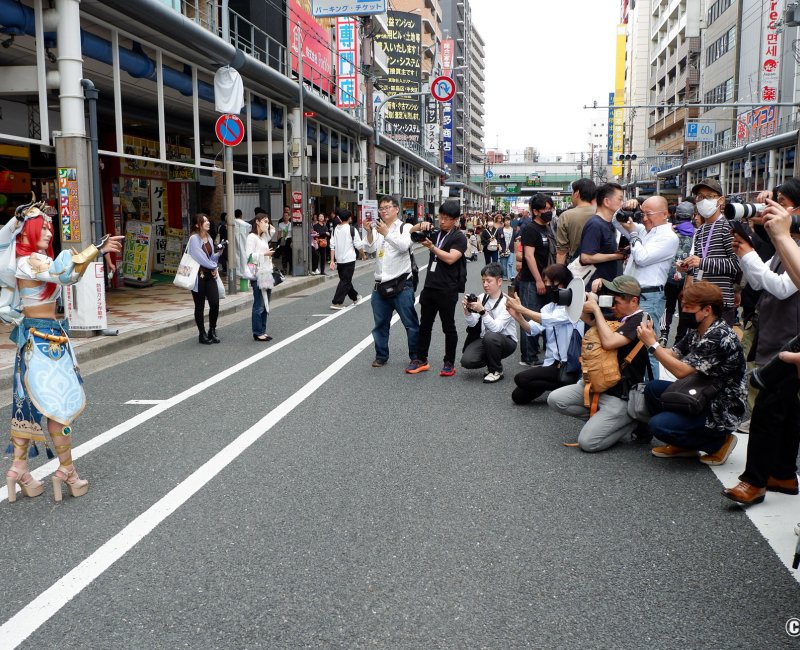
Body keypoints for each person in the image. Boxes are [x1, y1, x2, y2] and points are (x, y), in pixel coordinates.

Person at [4, 199, 123, 502]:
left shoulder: (29, 259)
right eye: (41, 227)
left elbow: (65, 272)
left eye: (49, 227)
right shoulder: (29, 261)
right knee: (59, 406)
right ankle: (67, 471)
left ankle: (19, 469)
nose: (47, 231)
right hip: (44, 341)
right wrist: (98, 247)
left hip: (38, 338)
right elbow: (65, 274)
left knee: (27, 403)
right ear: (26, 231)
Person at [722, 179, 800, 504]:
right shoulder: (788, 242)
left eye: (780, 201)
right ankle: (782, 474)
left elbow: (784, 287)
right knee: (787, 411)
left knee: (767, 411)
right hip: (779, 337)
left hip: (788, 341)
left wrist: (758, 247)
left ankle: (754, 481)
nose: (771, 207)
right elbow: (762, 281)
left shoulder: (793, 243)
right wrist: (747, 251)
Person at [637, 282, 745, 466]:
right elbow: (673, 353)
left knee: (658, 425)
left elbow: (681, 371)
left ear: (707, 310)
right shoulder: (697, 330)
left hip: (722, 405)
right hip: (701, 392)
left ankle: (719, 442)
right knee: (653, 389)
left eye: (688, 307)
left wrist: (653, 346)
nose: (684, 311)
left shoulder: (719, 335)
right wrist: (652, 341)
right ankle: (683, 445)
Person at [547, 275, 649, 452]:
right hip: (598, 385)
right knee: (555, 400)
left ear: (634, 301)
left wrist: (596, 309)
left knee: (588, 443)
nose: (612, 306)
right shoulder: (620, 315)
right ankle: (604, 423)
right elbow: (586, 318)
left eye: (617, 302)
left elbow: (609, 342)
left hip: (621, 395)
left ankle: (630, 422)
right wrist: (579, 299)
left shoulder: (641, 320)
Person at [406, 200, 468, 377]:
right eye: (440, 217)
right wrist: (420, 225)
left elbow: (450, 258)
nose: (442, 222)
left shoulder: (459, 237)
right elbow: (408, 233)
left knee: (448, 327)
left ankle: (449, 362)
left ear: (456, 220)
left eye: (447, 219)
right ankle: (421, 358)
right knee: (424, 325)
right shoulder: (434, 232)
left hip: (448, 289)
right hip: (430, 286)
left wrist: (432, 247)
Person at [507, 264, 584, 404]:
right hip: (551, 364)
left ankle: (567, 383)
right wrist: (517, 315)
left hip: (569, 365)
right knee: (518, 397)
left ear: (563, 282)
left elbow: (549, 320)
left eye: (551, 282)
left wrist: (522, 309)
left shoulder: (574, 308)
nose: (547, 285)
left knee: (521, 378)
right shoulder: (549, 307)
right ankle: (563, 386)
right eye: (546, 281)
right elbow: (532, 329)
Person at [363, 196, 420, 368]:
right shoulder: (378, 228)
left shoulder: (406, 227)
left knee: (410, 323)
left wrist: (386, 234)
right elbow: (370, 249)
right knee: (380, 324)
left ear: (396, 209)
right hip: (380, 284)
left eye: (387, 207)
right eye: (381, 208)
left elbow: (404, 246)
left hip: (402, 284)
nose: (384, 211)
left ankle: (416, 356)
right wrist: (368, 232)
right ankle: (381, 355)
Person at [679, 178, 740, 325]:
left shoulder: (728, 228)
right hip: (701, 302)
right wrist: (688, 266)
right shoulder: (700, 230)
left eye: (709, 196)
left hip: (720, 303)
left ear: (720, 200)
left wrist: (702, 262)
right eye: (700, 196)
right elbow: (700, 263)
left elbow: (736, 265)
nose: (703, 200)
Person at [461, 263, 518, 383]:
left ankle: (496, 370)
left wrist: (482, 311)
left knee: (490, 336)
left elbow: (496, 329)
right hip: (486, 339)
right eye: (483, 281)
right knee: (467, 360)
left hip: (506, 341)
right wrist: (467, 311)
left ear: (499, 281)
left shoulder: (507, 302)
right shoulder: (482, 297)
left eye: (488, 281)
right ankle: (493, 361)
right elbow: (472, 324)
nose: (485, 284)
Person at [517, 194, 555, 366]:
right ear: (535, 211)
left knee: (543, 316)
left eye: (550, 208)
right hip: (531, 280)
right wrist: (539, 280)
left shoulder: (548, 228)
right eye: (545, 209)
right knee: (530, 316)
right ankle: (529, 357)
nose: (548, 212)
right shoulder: (531, 229)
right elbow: (529, 257)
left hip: (547, 280)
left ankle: (541, 353)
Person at [577, 182, 626, 285]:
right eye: (620, 199)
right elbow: (586, 257)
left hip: (606, 283)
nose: (622, 203)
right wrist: (617, 256)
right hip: (595, 286)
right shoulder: (595, 224)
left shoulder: (610, 223)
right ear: (607, 202)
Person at [661, 200, 696, 344]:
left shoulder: (669, 231)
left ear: (676, 214)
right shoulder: (697, 233)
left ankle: (664, 334)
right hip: (687, 277)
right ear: (692, 216)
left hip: (668, 275)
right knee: (684, 308)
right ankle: (679, 340)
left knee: (667, 306)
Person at [188, 213, 223, 344]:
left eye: (208, 220)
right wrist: (214, 266)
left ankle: (212, 330)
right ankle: (202, 334)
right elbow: (200, 258)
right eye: (205, 221)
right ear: (198, 225)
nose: (208, 222)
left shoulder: (208, 237)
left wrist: (218, 253)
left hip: (209, 275)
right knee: (200, 306)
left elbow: (210, 258)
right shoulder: (194, 239)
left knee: (215, 303)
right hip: (198, 276)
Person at [246, 212, 276, 342]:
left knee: (265, 303)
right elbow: (248, 256)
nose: (267, 224)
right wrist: (265, 254)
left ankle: (262, 330)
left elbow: (272, 232)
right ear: (257, 222)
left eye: (268, 221)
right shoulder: (251, 237)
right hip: (257, 274)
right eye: (264, 221)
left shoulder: (263, 237)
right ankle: (257, 332)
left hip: (266, 272)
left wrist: (267, 254)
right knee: (259, 304)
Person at [329, 208, 364, 310]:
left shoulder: (335, 229)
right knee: (345, 281)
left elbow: (332, 245)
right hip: (349, 259)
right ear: (349, 218)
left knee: (345, 280)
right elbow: (358, 245)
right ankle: (336, 302)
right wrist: (363, 255)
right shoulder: (351, 229)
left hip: (339, 260)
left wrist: (332, 260)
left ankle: (355, 297)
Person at [556, 178, 597, 265]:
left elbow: (561, 252)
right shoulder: (601, 213)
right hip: (600, 264)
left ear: (576, 193)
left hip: (576, 264)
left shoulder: (566, 216)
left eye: (572, 192)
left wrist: (558, 276)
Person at [500, 215, 516, 281]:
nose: (508, 222)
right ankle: (505, 276)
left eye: (509, 220)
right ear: (504, 222)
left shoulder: (513, 229)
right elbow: (498, 239)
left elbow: (514, 239)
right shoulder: (500, 230)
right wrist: (499, 246)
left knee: (510, 263)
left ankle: (512, 276)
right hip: (503, 248)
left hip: (511, 248)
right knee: (503, 264)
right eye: (506, 221)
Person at [277, 208, 292, 274]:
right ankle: (284, 269)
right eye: (284, 216)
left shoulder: (291, 224)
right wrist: (278, 242)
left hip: (289, 240)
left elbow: (293, 234)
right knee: (284, 256)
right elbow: (279, 234)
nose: (285, 217)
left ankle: (291, 269)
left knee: (290, 255)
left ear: (289, 217)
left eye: (287, 216)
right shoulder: (280, 224)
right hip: (283, 240)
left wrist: (292, 242)